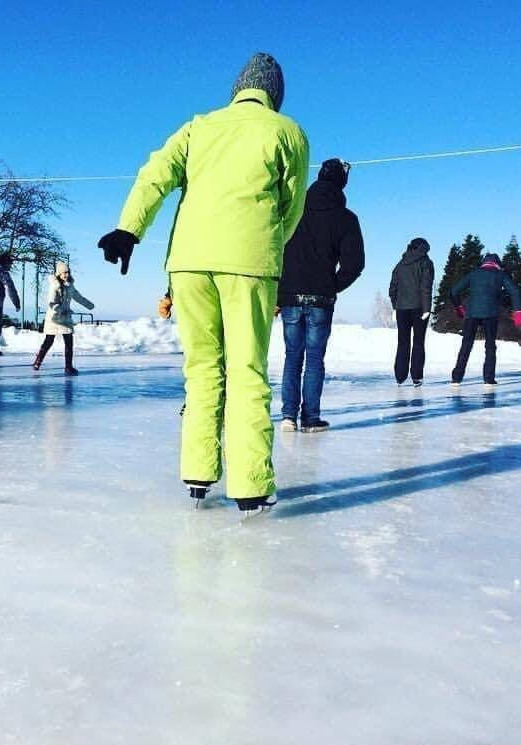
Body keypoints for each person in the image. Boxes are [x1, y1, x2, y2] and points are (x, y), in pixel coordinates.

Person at [97, 52, 309, 516]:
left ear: (237, 89)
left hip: (189, 264)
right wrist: (268, 241)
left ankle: (198, 471)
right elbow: (291, 206)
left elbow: (155, 174)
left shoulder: (198, 127)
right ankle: (251, 485)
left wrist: (130, 228)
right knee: (247, 369)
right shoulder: (286, 131)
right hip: (250, 265)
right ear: (274, 93)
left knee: (202, 368)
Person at [277, 158, 364, 433]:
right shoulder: (346, 218)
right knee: (314, 359)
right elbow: (355, 264)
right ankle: (310, 418)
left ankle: (288, 416)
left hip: (290, 296)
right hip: (321, 300)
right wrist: (331, 285)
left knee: (293, 357)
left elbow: (276, 250)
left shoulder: (293, 211)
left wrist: (281, 289)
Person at [449, 253, 521, 386]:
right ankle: (488, 379)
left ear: (483, 262)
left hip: (472, 314)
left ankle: (457, 377)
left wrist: (459, 307)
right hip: (491, 314)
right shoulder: (500, 274)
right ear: (497, 263)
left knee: (466, 345)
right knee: (490, 346)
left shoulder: (474, 274)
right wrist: (518, 311)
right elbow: (515, 292)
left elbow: (454, 291)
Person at [32, 261, 93, 375]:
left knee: (69, 342)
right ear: (58, 274)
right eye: (64, 273)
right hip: (54, 318)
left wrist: (89, 305)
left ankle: (68, 367)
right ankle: (37, 362)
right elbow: (51, 303)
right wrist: (60, 310)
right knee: (49, 341)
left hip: (65, 318)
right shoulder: (54, 286)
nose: (67, 275)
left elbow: (78, 297)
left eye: (68, 272)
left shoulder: (70, 286)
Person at [388, 237, 434, 387]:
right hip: (419, 308)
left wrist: (396, 305)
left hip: (402, 309)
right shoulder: (426, 263)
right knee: (418, 342)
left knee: (403, 342)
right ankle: (417, 377)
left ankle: (400, 376)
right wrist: (427, 309)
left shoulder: (400, 264)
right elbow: (426, 287)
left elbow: (392, 288)